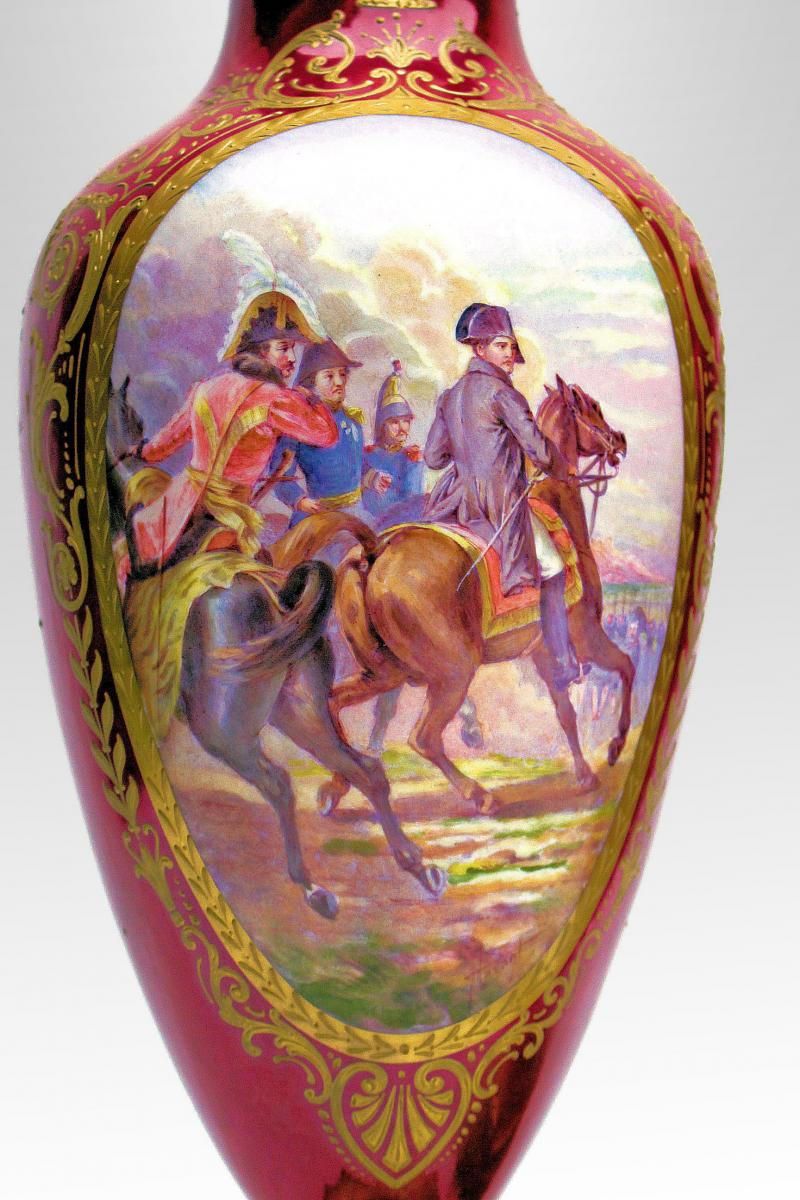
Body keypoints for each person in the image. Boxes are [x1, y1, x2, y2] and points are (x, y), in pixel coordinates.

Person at [423, 303, 580, 690]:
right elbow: (538, 450)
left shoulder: (449, 397)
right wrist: (561, 467)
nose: (510, 354)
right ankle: (563, 662)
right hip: (501, 505)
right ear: (479, 349)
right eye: (501, 345)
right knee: (554, 567)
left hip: (458, 503)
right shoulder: (504, 394)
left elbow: (433, 457)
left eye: (511, 346)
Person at [127, 296, 337, 573]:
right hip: (230, 514)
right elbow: (325, 435)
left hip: (183, 505)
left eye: (293, 350)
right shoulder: (276, 399)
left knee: (135, 565)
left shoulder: (204, 388)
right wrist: (311, 399)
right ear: (261, 351)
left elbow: (162, 446)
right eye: (284, 348)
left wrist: (141, 451)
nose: (292, 359)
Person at [270, 339, 389, 530]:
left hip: (355, 513)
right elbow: (280, 475)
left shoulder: (352, 420)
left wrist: (372, 477)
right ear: (312, 382)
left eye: (342, 374)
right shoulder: (299, 424)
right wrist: (299, 500)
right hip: (318, 516)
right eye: (329, 376)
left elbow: (354, 463)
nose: (339, 382)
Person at [362, 360, 426, 527]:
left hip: (397, 527)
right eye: (395, 422)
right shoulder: (367, 455)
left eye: (406, 421)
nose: (402, 428)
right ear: (382, 425)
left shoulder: (411, 457)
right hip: (365, 525)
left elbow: (413, 503)